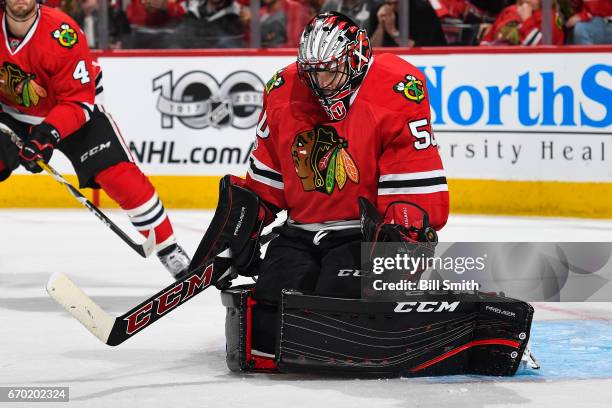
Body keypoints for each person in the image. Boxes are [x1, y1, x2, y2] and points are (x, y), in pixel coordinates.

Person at [192, 11, 449, 358]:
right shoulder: (283, 90)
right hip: (299, 231)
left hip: (359, 233)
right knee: (269, 321)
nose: (321, 82)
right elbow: (268, 180)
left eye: (330, 69)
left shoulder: (397, 86)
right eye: (313, 71)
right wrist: (240, 227)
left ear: (356, 59)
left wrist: (401, 235)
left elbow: (412, 175)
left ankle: (416, 304)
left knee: (337, 311)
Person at [0, 0, 191, 279]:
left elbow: (77, 101)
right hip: (11, 115)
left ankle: (168, 248)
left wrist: (45, 137)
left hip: (72, 113)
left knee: (119, 176)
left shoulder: (62, 33)